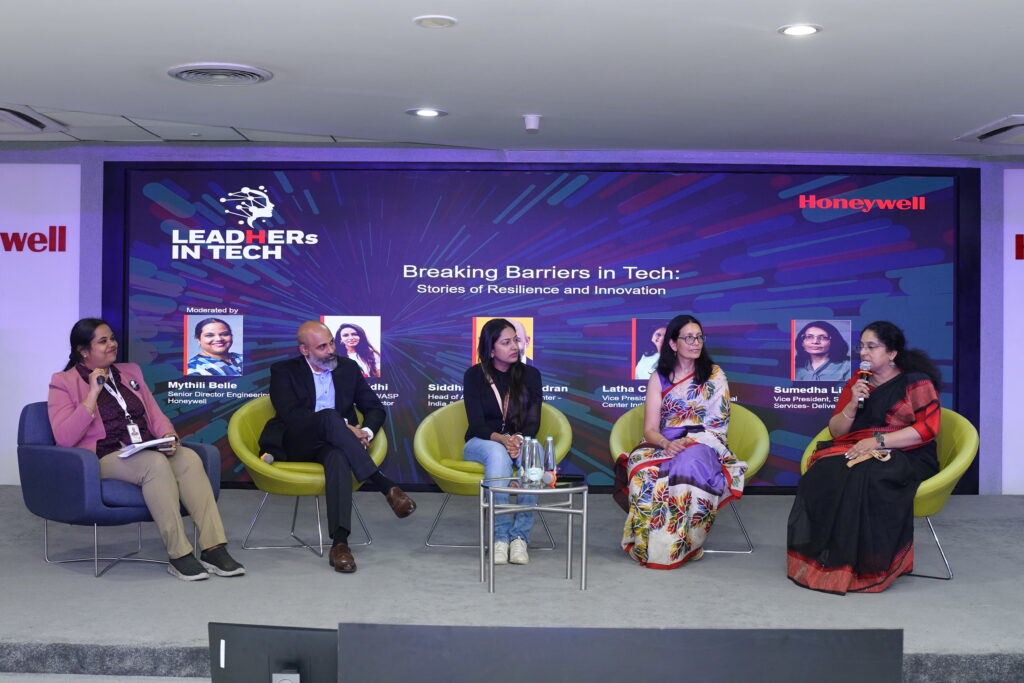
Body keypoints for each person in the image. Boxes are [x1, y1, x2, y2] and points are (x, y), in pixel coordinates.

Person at [47, 318, 245, 581]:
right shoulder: (63, 382)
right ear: (84, 350)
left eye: (112, 338)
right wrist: (92, 394)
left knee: (188, 458)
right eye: (103, 341)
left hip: (144, 447)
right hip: (103, 457)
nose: (112, 345)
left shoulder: (130, 372)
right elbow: (64, 437)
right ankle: (179, 554)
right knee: (154, 464)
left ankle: (213, 547)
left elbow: (154, 413)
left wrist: (168, 435)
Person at [787, 320, 942, 594]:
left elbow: (927, 429)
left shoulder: (915, 381)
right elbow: (836, 432)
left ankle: (870, 563)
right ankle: (833, 558)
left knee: (864, 475)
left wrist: (878, 442)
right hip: (860, 447)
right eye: (862, 347)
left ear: (892, 353)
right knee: (825, 472)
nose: (864, 353)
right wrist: (851, 404)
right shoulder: (858, 381)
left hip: (909, 453)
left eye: (872, 347)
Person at [262, 321, 415, 573]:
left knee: (338, 458)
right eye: (322, 346)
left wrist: (364, 432)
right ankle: (383, 484)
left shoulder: (347, 368)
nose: (331, 349)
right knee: (330, 417)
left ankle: (340, 544)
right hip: (298, 442)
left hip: (333, 444)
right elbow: (291, 415)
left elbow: (374, 408)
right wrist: (345, 426)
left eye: (331, 342)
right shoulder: (283, 370)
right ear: (304, 350)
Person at [616, 314, 746, 569]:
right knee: (642, 470)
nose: (696, 343)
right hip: (663, 442)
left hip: (705, 441)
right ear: (673, 344)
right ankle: (646, 546)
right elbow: (650, 429)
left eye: (699, 337)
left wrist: (689, 441)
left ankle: (683, 544)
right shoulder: (659, 377)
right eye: (689, 338)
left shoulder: (715, 375)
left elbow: (718, 424)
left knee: (686, 466)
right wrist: (666, 444)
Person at [463, 318, 543, 565]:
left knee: (533, 450)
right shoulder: (475, 375)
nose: (514, 347)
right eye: (506, 342)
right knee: (498, 454)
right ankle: (500, 538)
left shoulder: (531, 374)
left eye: (516, 341)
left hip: (518, 440)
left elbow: (533, 421)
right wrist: (502, 439)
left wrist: (517, 439)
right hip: (482, 442)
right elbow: (476, 423)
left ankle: (519, 538)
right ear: (490, 348)